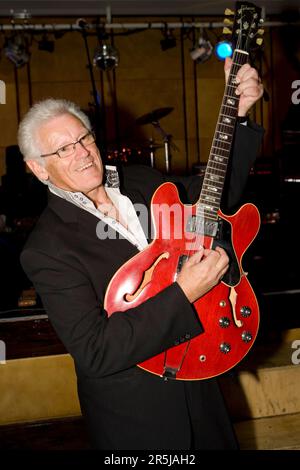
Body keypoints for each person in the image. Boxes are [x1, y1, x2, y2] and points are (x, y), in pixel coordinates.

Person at [18, 59, 264, 450]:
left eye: (84, 139)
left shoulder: (142, 181)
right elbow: (95, 352)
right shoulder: (47, 249)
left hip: (202, 378)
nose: (82, 153)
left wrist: (239, 116)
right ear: (38, 168)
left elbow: (212, 201)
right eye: (63, 150)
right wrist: (184, 291)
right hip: (139, 415)